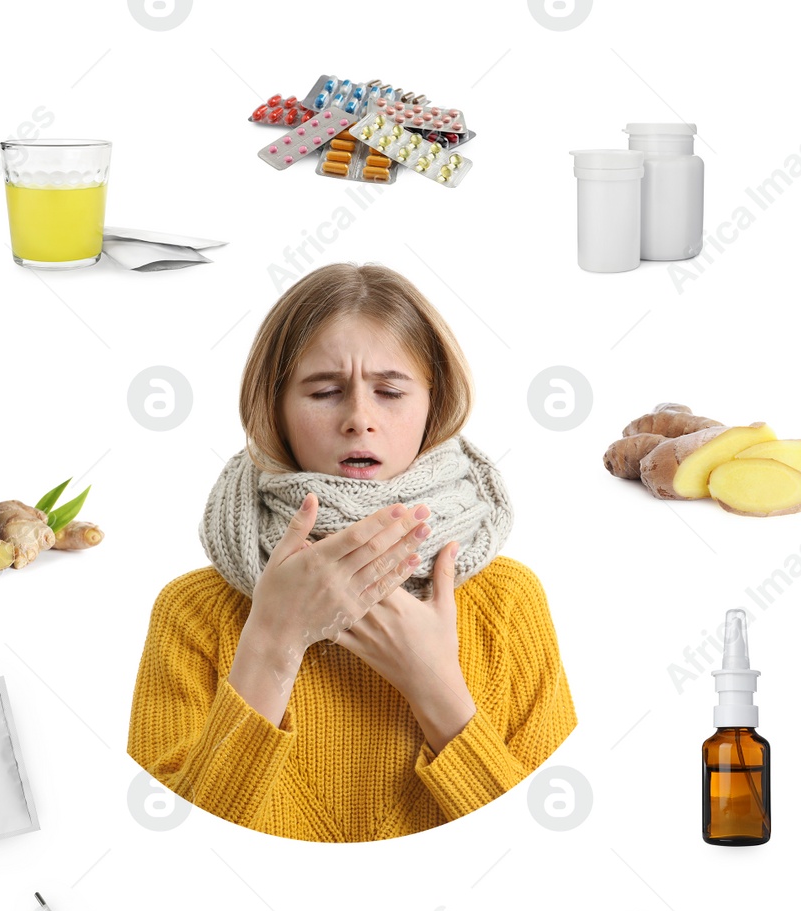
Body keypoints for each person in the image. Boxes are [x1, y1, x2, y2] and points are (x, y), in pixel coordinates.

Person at [127, 263, 576, 842]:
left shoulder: (508, 601)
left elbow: (548, 854)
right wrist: (272, 639)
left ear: (432, 406)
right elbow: (168, 856)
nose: (360, 419)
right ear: (275, 409)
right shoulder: (192, 612)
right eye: (324, 391)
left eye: (390, 391)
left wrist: (436, 686)